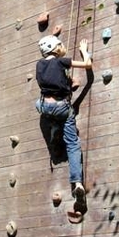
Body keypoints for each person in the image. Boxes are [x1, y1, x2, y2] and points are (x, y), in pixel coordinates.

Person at [35, 35, 92, 211]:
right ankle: (77, 183)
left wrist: (67, 82)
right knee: (73, 144)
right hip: (62, 107)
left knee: (43, 108)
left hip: (44, 106)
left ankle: (54, 128)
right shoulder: (62, 62)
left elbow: (49, 80)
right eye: (60, 44)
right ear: (55, 48)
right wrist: (84, 51)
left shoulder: (39, 64)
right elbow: (87, 65)